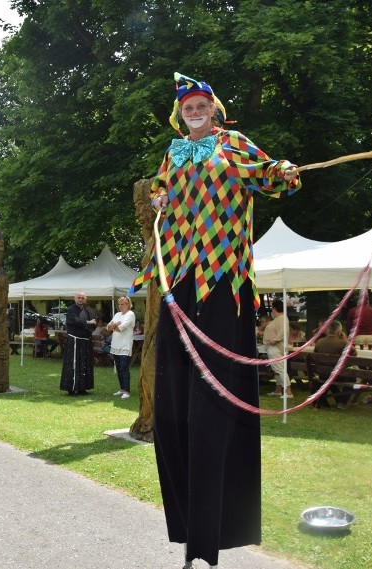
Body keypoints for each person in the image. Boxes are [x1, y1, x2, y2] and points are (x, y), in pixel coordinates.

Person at [130, 73, 300, 568]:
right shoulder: (173, 153)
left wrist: (283, 171)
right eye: (188, 106)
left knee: (216, 408)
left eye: (202, 104)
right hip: (180, 278)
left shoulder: (234, 144)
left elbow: (270, 177)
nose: (195, 111)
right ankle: (190, 534)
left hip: (224, 280)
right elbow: (160, 190)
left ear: (215, 108)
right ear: (179, 114)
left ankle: (216, 535)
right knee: (176, 409)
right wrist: (160, 198)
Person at [59, 291, 97, 396]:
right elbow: (75, 321)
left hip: (85, 341)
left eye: (82, 298)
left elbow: (94, 324)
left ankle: (82, 388)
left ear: (85, 299)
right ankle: (72, 388)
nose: (80, 299)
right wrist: (88, 323)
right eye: (78, 297)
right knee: (74, 364)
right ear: (75, 299)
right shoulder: (71, 310)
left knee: (85, 364)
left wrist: (90, 324)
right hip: (75, 341)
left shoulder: (88, 311)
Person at [313, 320, 357, 409]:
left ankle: (339, 400)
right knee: (352, 378)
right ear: (339, 332)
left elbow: (315, 354)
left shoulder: (319, 342)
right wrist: (345, 340)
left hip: (323, 374)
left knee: (330, 379)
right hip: (337, 375)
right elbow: (354, 354)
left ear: (328, 330)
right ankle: (341, 401)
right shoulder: (342, 343)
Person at [106, 296, 136, 399]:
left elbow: (120, 328)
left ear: (128, 304)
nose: (120, 306)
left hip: (125, 346)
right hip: (115, 345)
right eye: (119, 304)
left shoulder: (130, 314)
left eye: (122, 304)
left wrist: (114, 325)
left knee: (124, 368)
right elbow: (108, 327)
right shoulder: (117, 314)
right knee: (118, 368)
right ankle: (122, 389)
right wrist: (114, 325)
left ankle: (127, 391)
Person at [263, 299, 293, 398]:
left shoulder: (282, 318)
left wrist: (275, 340)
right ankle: (278, 390)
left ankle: (288, 392)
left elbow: (283, 331)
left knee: (280, 369)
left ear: (274, 308)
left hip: (275, 347)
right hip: (272, 347)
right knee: (277, 369)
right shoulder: (279, 319)